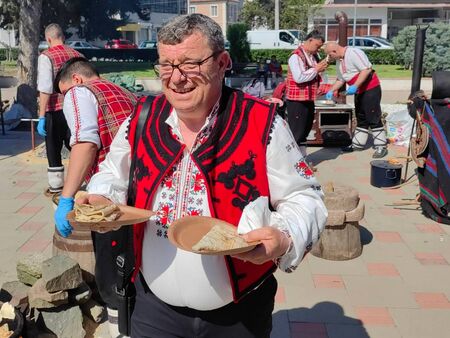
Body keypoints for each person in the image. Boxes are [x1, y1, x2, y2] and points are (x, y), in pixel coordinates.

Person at [80, 13, 327, 338]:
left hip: (238, 317)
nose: (176, 78)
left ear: (222, 62)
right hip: (153, 311)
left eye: (190, 64)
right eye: (166, 65)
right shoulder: (141, 118)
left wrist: (282, 237)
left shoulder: (263, 123)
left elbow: (304, 198)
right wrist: (101, 198)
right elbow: (113, 173)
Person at [52, 58, 137, 337]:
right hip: (140, 194)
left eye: (63, 92)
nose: (66, 100)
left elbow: (86, 143)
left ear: (75, 80)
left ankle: (120, 332)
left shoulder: (78, 92)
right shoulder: (123, 91)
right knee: (132, 270)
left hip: (111, 199)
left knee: (112, 278)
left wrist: (66, 196)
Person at [36, 23, 84, 194]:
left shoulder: (46, 57)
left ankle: (56, 187)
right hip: (77, 108)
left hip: (55, 111)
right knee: (79, 145)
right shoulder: (78, 55)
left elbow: (45, 88)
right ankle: (91, 178)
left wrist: (41, 116)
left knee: (53, 149)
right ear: (62, 37)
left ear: (48, 39)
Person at [323, 41, 388, 158]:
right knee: (361, 116)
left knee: (373, 116)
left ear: (334, 51)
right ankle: (358, 143)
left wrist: (355, 86)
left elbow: (367, 69)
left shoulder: (353, 53)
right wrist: (331, 90)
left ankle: (381, 146)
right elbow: (341, 79)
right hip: (358, 91)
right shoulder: (339, 61)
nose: (329, 58)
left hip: (370, 88)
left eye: (330, 55)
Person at [285, 30, 328, 157]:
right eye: (317, 46)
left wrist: (319, 74)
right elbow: (299, 77)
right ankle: (292, 162)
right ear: (309, 41)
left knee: (305, 131)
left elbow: (315, 74)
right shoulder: (296, 56)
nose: (318, 49)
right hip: (296, 101)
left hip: (308, 99)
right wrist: (316, 69)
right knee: (296, 133)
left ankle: (302, 161)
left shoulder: (312, 56)